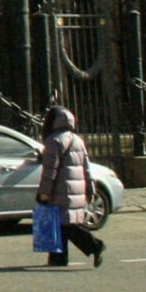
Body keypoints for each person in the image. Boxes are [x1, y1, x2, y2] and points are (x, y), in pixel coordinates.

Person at [37, 105, 106, 268]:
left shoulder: (53, 141)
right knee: (62, 224)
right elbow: (86, 167)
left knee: (65, 225)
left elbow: (49, 170)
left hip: (61, 190)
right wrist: (90, 189)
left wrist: (44, 192)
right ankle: (57, 258)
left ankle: (95, 245)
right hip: (75, 190)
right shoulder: (77, 140)